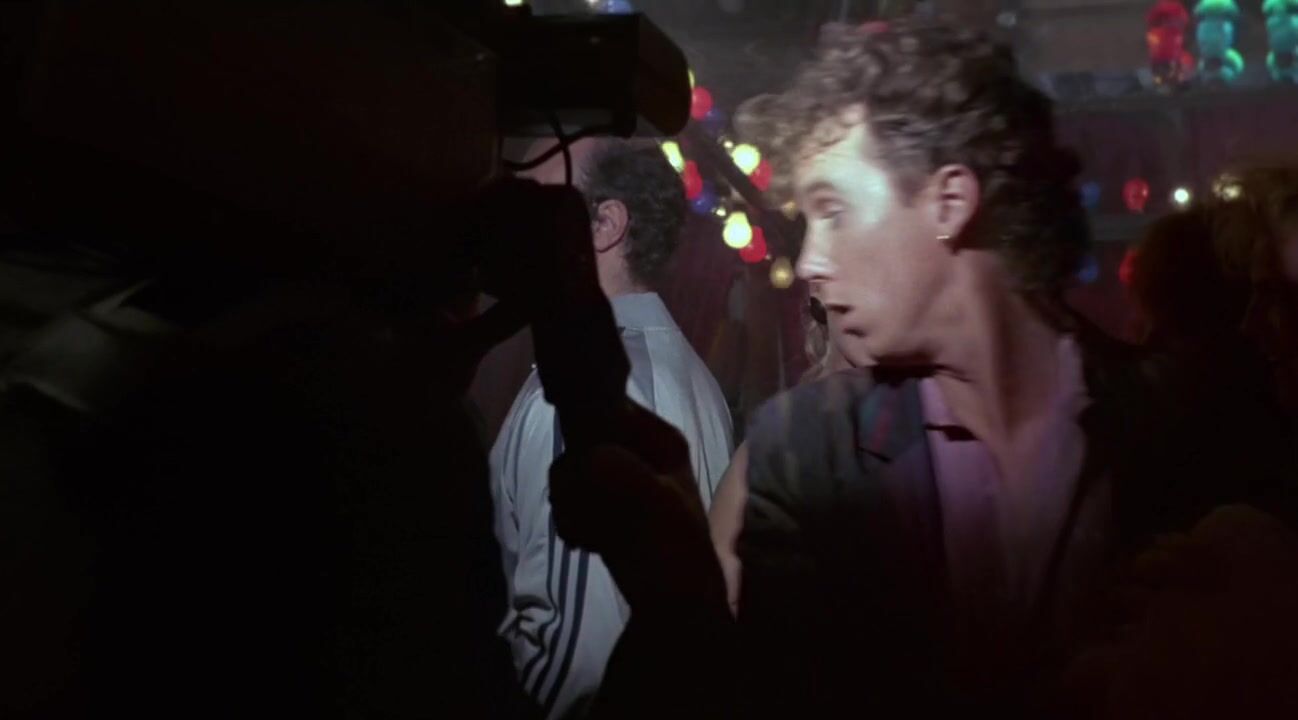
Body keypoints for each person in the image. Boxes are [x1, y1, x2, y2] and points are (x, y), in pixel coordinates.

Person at [705, 19, 1191, 715]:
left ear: (950, 202)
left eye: (832, 210)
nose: (810, 260)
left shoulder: (1175, 427)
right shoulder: (806, 456)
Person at [490, 138, 733, 719]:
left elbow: (580, 658)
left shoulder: (585, 394)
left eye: (543, 202)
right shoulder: (693, 376)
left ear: (605, 225)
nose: (512, 223)